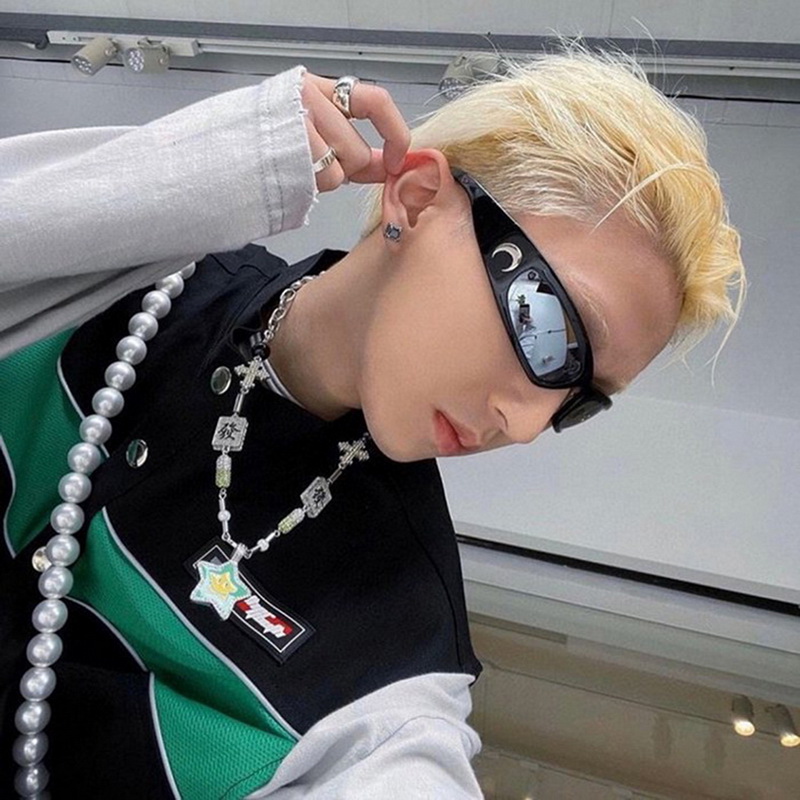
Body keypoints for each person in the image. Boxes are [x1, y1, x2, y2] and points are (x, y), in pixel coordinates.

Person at [0, 43, 745, 798]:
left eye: (578, 400)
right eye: (549, 334)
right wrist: (215, 164)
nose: (525, 425)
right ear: (415, 200)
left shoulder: (395, 657)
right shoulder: (145, 272)